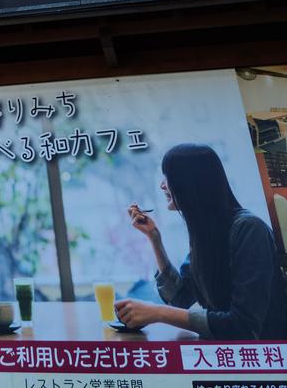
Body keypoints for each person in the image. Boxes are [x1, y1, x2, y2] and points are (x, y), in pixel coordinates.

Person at [116, 143, 287, 339]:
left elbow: (243, 327)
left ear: (190, 182)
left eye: (168, 177)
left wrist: (158, 313)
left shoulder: (249, 229)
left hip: (266, 361)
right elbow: (181, 298)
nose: (162, 185)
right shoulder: (206, 233)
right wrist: (154, 238)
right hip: (227, 355)